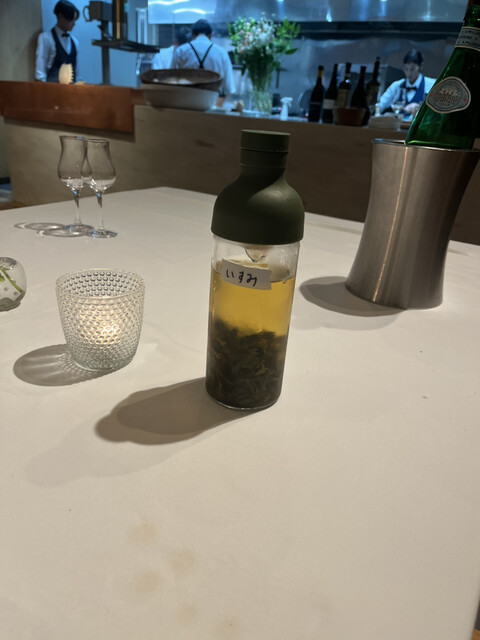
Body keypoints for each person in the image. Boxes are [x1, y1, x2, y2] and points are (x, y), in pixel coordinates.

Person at [170, 19, 236, 100]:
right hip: (212, 102)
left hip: (186, 101)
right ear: (211, 35)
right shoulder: (222, 53)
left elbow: (171, 81)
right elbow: (229, 88)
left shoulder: (180, 51)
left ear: (192, 34)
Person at [378, 50, 435, 119]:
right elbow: (380, 104)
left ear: (420, 66)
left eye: (412, 69)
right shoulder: (396, 86)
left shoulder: (431, 84)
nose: (409, 73)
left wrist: (420, 107)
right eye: (406, 69)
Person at [35, 0, 80, 83]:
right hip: (52, 88)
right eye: (71, 19)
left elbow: (76, 73)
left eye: (74, 20)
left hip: (72, 89)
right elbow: (40, 72)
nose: (74, 24)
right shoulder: (46, 38)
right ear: (60, 17)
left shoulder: (75, 42)